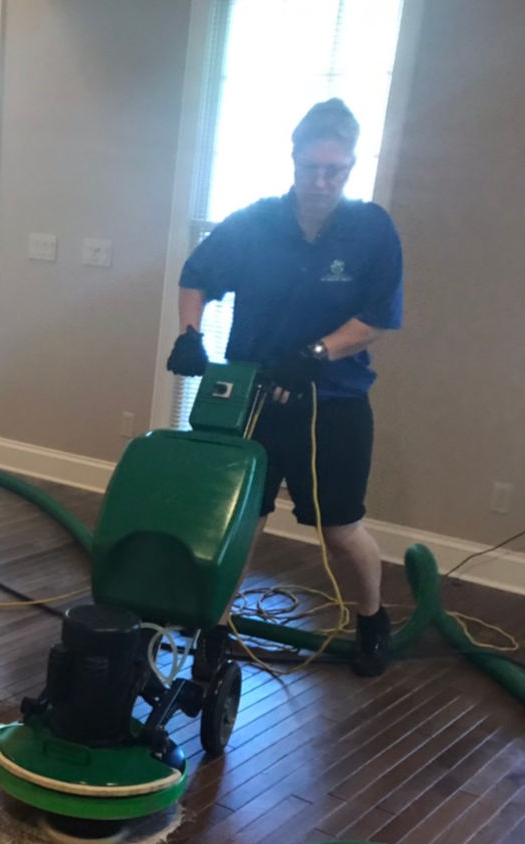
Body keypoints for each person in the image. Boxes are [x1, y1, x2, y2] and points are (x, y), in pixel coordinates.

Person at [167, 98, 403, 677]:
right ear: (293, 161)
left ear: (350, 166)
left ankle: (372, 621)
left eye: (334, 170)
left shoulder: (371, 230)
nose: (321, 182)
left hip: (333, 401)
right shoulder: (255, 223)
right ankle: (216, 625)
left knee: (339, 527)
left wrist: (315, 354)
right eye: (311, 168)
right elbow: (197, 275)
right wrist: (190, 334)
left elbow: (376, 318)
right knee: (241, 519)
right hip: (252, 398)